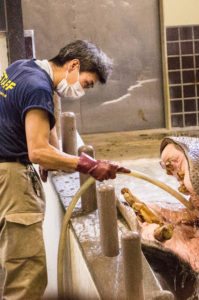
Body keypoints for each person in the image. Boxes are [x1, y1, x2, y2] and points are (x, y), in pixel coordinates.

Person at [0, 40, 129, 299]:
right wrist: (90, 165)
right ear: (73, 65)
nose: (82, 91)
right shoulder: (38, 88)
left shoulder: (19, 69)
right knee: (25, 274)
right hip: (11, 179)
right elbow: (37, 151)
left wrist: (56, 157)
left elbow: (39, 129)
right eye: (86, 83)